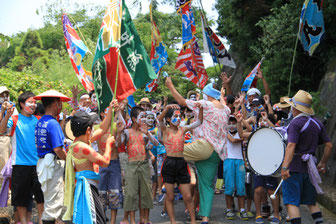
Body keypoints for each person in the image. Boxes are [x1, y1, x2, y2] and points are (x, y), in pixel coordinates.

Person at [165, 77, 231, 224]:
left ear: (207, 96)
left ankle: (168, 184)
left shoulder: (205, 104)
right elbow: (223, 102)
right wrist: (222, 92)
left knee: (172, 151)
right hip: (216, 153)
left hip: (203, 147)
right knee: (207, 187)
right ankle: (205, 218)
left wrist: (170, 86)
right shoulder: (226, 109)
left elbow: (182, 102)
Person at [281, 90, 332, 224]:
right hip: (310, 169)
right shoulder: (317, 123)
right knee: (311, 202)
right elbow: (329, 145)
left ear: (295, 108)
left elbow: (291, 145)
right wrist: (322, 163)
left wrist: (285, 166)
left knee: (291, 202)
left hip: (294, 167)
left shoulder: (295, 123)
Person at [63, 111, 115, 224]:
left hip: (89, 186)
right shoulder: (82, 148)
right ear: (88, 130)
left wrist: (111, 110)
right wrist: (108, 145)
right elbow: (105, 162)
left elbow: (102, 129)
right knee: (97, 220)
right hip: (88, 188)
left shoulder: (78, 143)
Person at [0, 91, 44, 224]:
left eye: (35, 102)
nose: (33, 105)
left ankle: (42, 220)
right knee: (21, 197)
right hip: (20, 164)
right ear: (22, 104)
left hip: (38, 164)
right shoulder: (14, 119)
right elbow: (1, 130)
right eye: (30, 102)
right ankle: (24, 222)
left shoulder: (38, 119)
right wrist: (6, 115)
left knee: (40, 196)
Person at [158, 103, 203, 224]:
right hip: (169, 164)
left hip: (181, 163)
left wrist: (201, 108)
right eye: (175, 116)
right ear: (168, 119)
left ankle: (193, 221)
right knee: (170, 196)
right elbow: (159, 119)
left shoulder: (182, 129)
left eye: (179, 116)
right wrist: (166, 108)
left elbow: (199, 122)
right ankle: (173, 221)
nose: (178, 119)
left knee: (188, 196)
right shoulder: (165, 130)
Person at [116, 106, 159, 224]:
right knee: (131, 193)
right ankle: (132, 220)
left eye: (145, 117)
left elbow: (155, 143)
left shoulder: (146, 133)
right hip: (131, 165)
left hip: (144, 164)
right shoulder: (127, 132)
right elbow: (118, 143)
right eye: (142, 117)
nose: (144, 119)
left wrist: (148, 135)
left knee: (145, 193)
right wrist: (119, 133)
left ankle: (144, 219)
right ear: (134, 119)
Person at [34, 90, 71, 224]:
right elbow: (57, 148)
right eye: (60, 103)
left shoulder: (40, 122)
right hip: (52, 164)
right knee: (53, 202)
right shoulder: (53, 123)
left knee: (49, 199)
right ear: (56, 103)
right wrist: (68, 159)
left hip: (43, 163)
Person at [224, 115, 249, 221]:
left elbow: (250, 129)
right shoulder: (225, 133)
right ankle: (229, 209)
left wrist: (241, 121)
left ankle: (242, 210)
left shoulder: (240, 132)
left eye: (233, 123)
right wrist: (241, 138)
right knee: (229, 186)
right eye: (229, 123)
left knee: (241, 186)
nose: (231, 125)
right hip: (228, 160)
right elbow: (233, 141)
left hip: (239, 161)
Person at [0, 86, 18, 184]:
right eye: (2, 95)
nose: (4, 97)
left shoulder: (13, 108)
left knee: (7, 167)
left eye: (6, 95)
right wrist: (2, 111)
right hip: (1, 138)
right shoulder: (2, 109)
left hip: (8, 138)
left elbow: (14, 123)